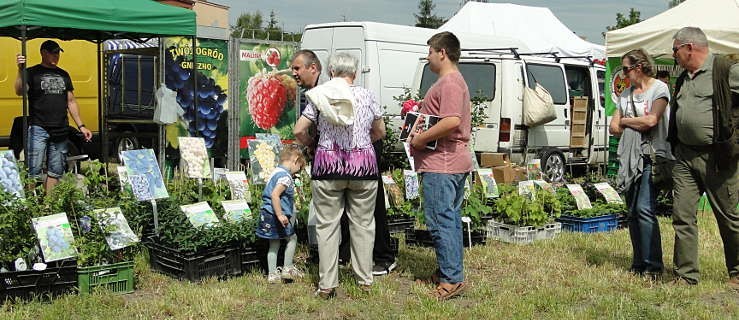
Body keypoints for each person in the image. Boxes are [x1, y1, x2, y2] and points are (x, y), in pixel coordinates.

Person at [294, 52, 386, 299]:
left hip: (327, 167)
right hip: (364, 168)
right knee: (364, 224)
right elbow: (380, 130)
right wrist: (364, 144)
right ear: (354, 74)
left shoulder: (319, 94)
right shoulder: (367, 96)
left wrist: (314, 144)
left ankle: (327, 285)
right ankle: (364, 280)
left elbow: (299, 130)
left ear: (331, 72)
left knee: (327, 225)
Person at [666, 27, 739, 289]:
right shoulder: (684, 77)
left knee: (728, 218)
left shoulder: (724, 70)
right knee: (682, 215)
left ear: (689, 48)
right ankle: (686, 276)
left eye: (675, 49)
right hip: (685, 155)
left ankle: (737, 271)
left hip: (717, 157)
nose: (673, 55)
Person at [409, 31, 471, 301]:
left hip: (443, 163)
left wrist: (420, 139)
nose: (428, 56)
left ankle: (452, 279)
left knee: (440, 220)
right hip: (449, 161)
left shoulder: (449, 83)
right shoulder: (450, 82)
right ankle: (450, 269)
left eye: (430, 52)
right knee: (450, 218)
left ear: (442, 53)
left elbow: (451, 121)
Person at [609, 48, 672, 280]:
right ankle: (638, 263)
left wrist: (625, 120)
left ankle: (654, 266)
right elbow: (612, 128)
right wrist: (628, 122)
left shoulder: (659, 88)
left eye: (625, 69)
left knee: (644, 209)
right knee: (633, 211)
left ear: (639, 67)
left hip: (653, 156)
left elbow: (651, 120)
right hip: (631, 158)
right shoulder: (625, 94)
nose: (624, 74)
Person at [14, 40, 92, 193]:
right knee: (33, 170)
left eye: (58, 53)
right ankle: (31, 205)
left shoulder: (64, 74)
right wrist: (20, 70)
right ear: (43, 53)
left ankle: (49, 206)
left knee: (55, 170)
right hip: (38, 127)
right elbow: (19, 90)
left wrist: (81, 126)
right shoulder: (31, 72)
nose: (56, 56)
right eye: (53, 52)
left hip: (61, 128)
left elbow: (71, 101)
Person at [255, 144, 307, 284]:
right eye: (299, 167)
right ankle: (287, 268)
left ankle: (272, 274)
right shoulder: (285, 177)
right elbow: (275, 195)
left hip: (267, 213)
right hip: (278, 215)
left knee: (274, 243)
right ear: (295, 159)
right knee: (292, 238)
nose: (298, 172)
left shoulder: (275, 172)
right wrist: (280, 215)